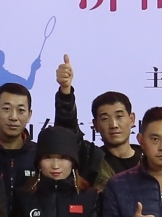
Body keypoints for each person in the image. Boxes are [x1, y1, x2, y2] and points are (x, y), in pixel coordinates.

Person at [51, 55, 141, 184]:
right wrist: (65, 92)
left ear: (131, 119)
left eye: (119, 116)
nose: (113, 125)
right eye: (105, 118)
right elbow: (67, 133)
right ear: (95, 125)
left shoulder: (149, 158)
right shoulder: (90, 158)